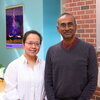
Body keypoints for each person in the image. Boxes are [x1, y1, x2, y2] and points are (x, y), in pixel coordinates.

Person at [45, 13, 98, 100]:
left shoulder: (88, 49)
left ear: (76, 27)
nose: (67, 28)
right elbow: (48, 81)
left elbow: (92, 81)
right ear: (58, 29)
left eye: (70, 24)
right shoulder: (51, 51)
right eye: (63, 25)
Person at [4, 30, 46, 100]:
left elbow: (47, 90)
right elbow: (10, 91)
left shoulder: (45, 65)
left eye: (37, 44)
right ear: (23, 44)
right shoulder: (14, 66)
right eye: (30, 43)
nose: (33, 47)